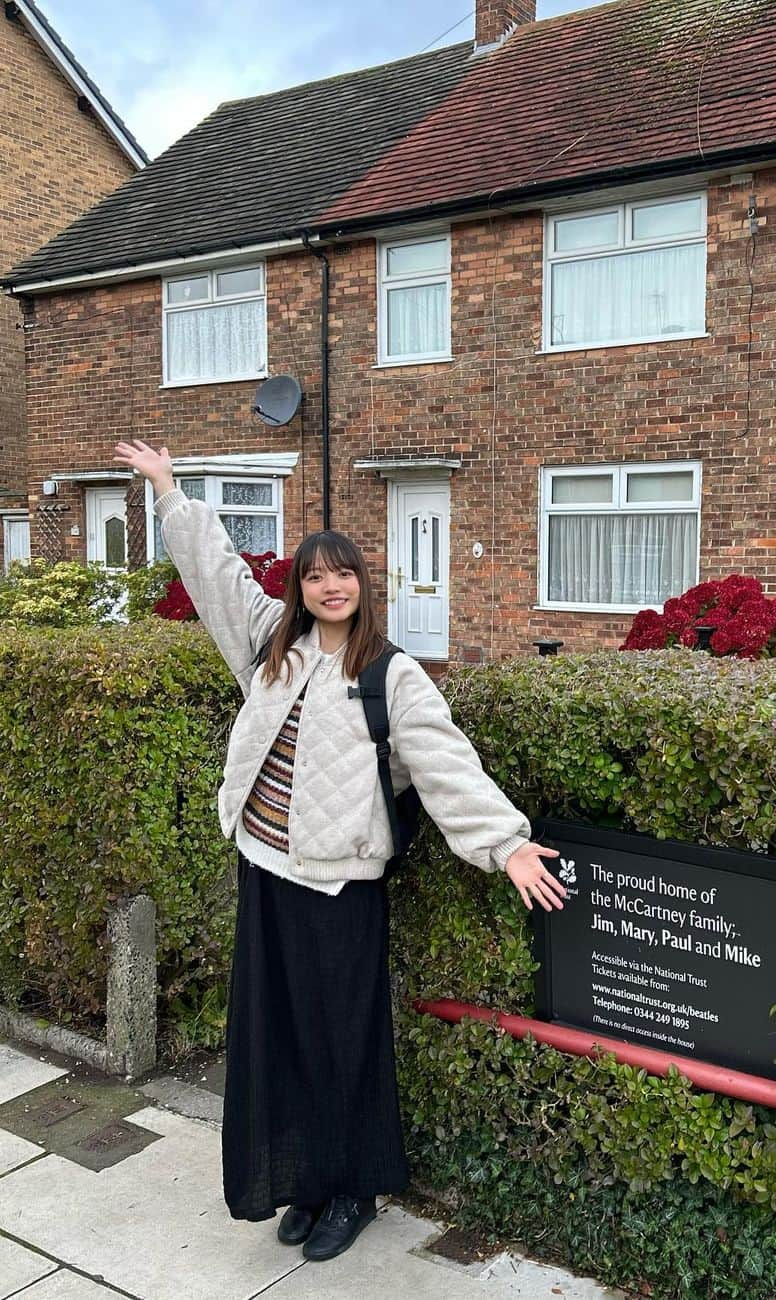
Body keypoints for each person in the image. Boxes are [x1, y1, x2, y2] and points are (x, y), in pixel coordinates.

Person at [113, 439, 567, 1262]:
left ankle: (353, 1186)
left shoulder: (390, 675)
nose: (331, 586)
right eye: (316, 575)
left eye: (344, 573)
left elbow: (444, 763)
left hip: (341, 890)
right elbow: (216, 575)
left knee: (341, 1041)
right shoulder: (267, 648)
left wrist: (508, 845)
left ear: (363, 586)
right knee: (276, 1036)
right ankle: (306, 1180)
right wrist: (170, 493)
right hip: (265, 869)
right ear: (301, 587)